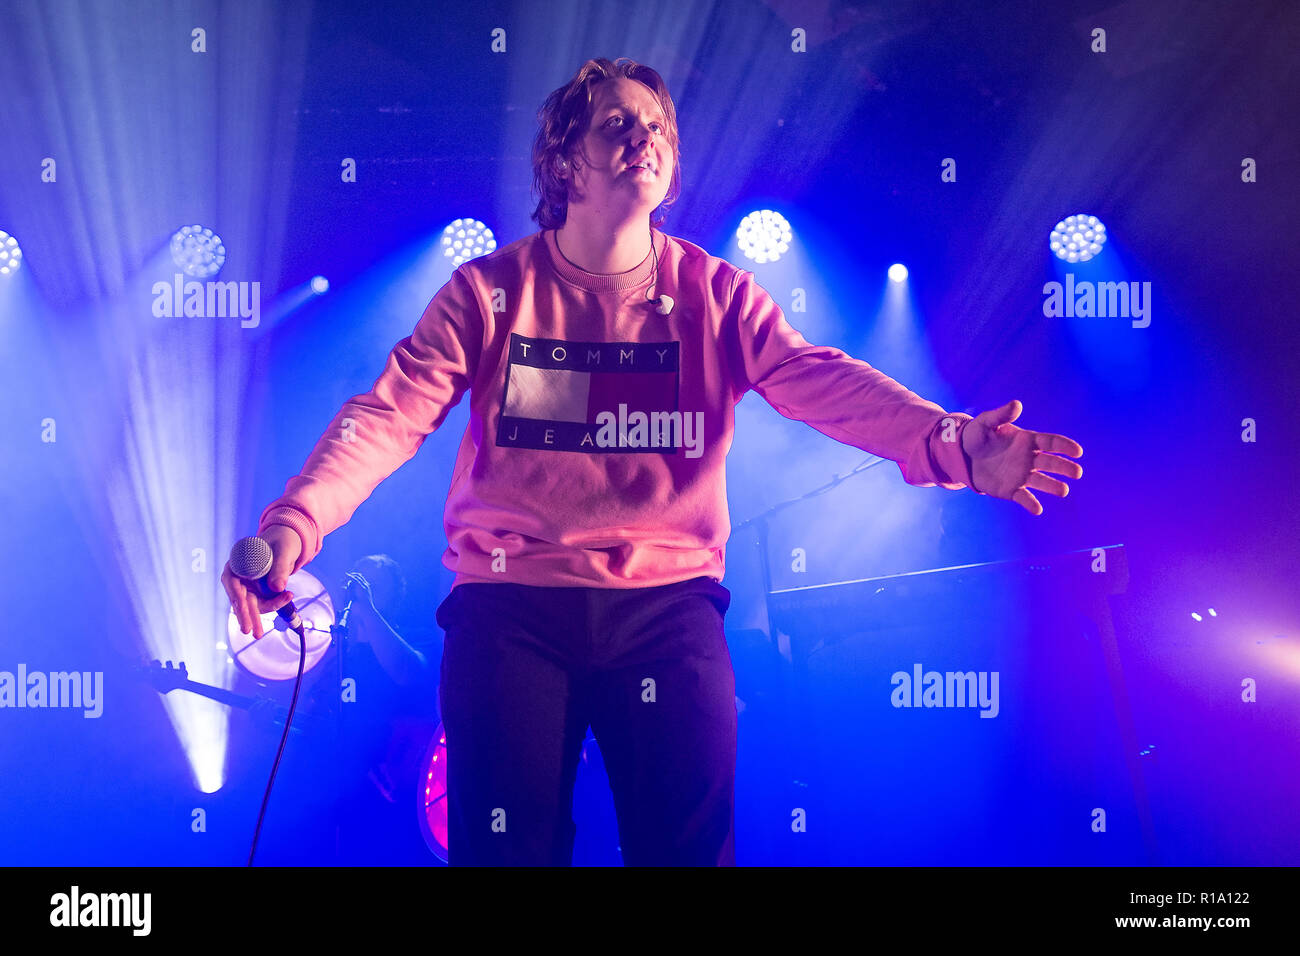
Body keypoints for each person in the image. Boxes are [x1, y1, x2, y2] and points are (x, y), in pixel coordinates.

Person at [221, 56, 1084, 866]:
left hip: (668, 616)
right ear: (565, 161)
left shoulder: (715, 294)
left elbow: (819, 379)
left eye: (659, 131)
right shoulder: (488, 293)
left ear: (670, 172)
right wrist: (295, 525)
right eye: (616, 125)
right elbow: (388, 414)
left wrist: (950, 442)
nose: (645, 140)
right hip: (510, 610)